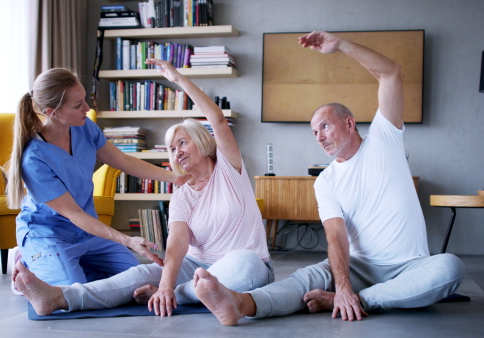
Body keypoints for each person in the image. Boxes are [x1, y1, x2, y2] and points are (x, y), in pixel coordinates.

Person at [192, 31, 465, 326]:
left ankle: (362, 300)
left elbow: (391, 74)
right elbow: (335, 235)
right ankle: (241, 303)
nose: (319, 137)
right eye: (314, 133)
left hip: (411, 267)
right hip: (358, 267)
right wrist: (344, 284)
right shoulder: (326, 181)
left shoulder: (385, 141)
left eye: (324, 126)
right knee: (307, 277)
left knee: (449, 268)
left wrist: (342, 46)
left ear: (349, 123)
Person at [12, 58, 273, 317]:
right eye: (171, 148)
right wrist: (163, 281)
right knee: (139, 273)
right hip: (55, 231)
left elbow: (216, 119)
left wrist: (178, 79)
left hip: (239, 264)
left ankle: (183, 293)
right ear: (53, 112)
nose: (177, 152)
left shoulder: (230, 170)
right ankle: (58, 296)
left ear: (203, 141)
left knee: (247, 265)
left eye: (183, 143)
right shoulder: (182, 196)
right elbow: (178, 243)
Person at [5, 68, 189, 288]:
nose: (87, 108)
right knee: (73, 292)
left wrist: (175, 178)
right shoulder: (34, 159)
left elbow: (123, 161)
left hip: (87, 232)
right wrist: (126, 240)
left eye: (84, 99)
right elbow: (73, 213)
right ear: (53, 112)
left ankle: (63, 269)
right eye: (78, 105)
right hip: (49, 235)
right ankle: (30, 261)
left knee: (141, 280)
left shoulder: (84, 127)